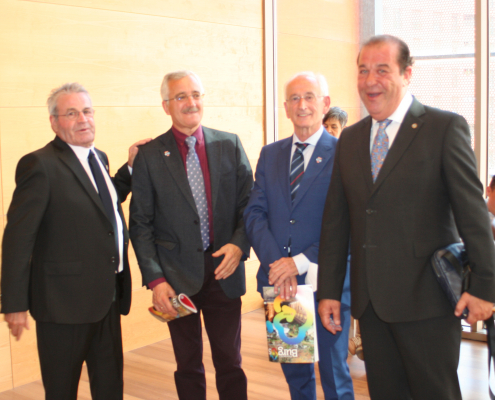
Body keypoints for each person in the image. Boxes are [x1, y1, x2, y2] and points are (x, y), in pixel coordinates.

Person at [318, 34, 495, 400]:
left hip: (427, 303)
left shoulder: (443, 128)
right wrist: (330, 291)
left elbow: (474, 216)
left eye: (382, 70)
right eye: (363, 70)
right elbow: (336, 222)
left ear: (407, 74)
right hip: (371, 305)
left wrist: (484, 287)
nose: (370, 80)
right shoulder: (350, 139)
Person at [0, 82, 149, 400]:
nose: (83, 119)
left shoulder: (99, 157)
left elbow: (101, 202)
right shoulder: (39, 165)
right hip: (63, 305)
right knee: (62, 391)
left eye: (87, 111)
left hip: (107, 297)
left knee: (110, 388)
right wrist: (14, 303)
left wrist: (130, 168)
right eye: (71, 113)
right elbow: (18, 238)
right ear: (54, 122)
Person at [129, 70, 253, 400]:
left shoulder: (229, 144)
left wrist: (239, 245)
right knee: (187, 364)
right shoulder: (150, 156)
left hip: (224, 270)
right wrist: (156, 280)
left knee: (230, 361)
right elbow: (140, 224)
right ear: (166, 106)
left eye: (196, 94)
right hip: (175, 278)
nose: (191, 102)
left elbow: (250, 205)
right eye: (181, 96)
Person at [244, 71, 354, 400]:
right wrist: (278, 263)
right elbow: (254, 213)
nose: (302, 105)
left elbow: (351, 222)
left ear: (325, 103)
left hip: (328, 282)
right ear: (286, 108)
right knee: (296, 373)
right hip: (281, 284)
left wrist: (299, 262)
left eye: (309, 97)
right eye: (294, 98)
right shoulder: (270, 154)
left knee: (334, 374)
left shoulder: (345, 154)